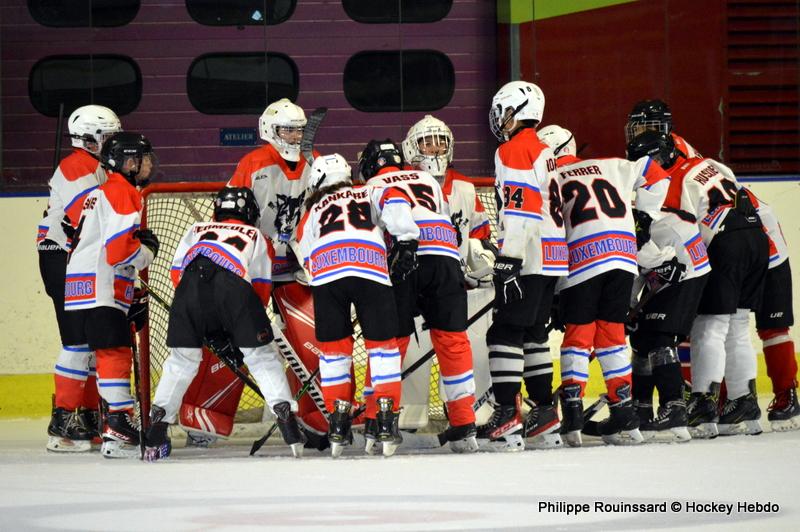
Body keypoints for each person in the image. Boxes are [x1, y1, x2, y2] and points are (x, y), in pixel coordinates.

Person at [144, 187, 305, 461]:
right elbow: (260, 289)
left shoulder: (196, 229)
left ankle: (157, 429)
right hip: (234, 288)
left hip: (189, 289)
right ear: (250, 212)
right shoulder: (256, 235)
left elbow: (177, 273)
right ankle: (287, 422)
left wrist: (203, 319)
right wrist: (242, 329)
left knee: (181, 361)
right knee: (261, 358)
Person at [627, 131, 769, 438]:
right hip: (756, 237)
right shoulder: (707, 163)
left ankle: (703, 405)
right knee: (737, 325)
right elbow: (739, 194)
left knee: (709, 327)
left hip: (723, 244)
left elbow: (679, 227)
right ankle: (743, 402)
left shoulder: (669, 183)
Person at [550, 127, 671, 447]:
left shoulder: (551, 176)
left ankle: (573, 416)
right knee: (612, 335)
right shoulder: (612, 164)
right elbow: (656, 172)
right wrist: (644, 217)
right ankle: (624, 412)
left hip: (583, 259)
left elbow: (549, 227)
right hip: (622, 257)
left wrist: (553, 288)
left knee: (578, 336)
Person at [359, 140, 480, 453]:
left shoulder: (371, 187)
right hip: (445, 258)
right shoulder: (427, 178)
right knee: (453, 340)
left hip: (403, 258)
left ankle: (376, 420)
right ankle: (464, 422)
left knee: (389, 343)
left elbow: (374, 233)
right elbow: (447, 219)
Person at [296, 153, 420, 457]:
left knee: (334, 351)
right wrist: (406, 239)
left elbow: (303, 247)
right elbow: (396, 197)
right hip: (370, 267)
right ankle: (386, 418)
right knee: (383, 348)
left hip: (327, 273)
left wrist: (323, 270)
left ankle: (337, 422)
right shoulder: (368, 190)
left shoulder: (314, 208)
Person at [477, 82, 568, 452]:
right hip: (553, 256)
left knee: (504, 333)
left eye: (503, 110)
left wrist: (509, 259)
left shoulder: (514, 148)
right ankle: (544, 413)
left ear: (517, 111)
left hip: (529, 255)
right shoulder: (543, 149)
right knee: (533, 334)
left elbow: (521, 208)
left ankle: (507, 415)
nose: (499, 118)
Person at [63, 132, 159, 458]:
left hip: (80, 286)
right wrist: (146, 252)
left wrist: (129, 292)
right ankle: (117, 425)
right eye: (143, 159)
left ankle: (109, 427)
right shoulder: (122, 190)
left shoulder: (99, 192)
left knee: (98, 353)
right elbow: (119, 251)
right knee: (114, 352)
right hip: (101, 286)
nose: (149, 164)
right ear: (129, 162)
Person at [38, 105, 122, 452]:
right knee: (77, 341)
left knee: (90, 341)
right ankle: (63, 423)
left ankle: (85, 416)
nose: (114, 143)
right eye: (108, 137)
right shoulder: (76, 166)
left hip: (81, 257)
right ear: (88, 139)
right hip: (62, 258)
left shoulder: (98, 166)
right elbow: (91, 218)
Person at [227, 98, 315, 283]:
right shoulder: (252, 163)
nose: (296, 136)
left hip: (300, 263)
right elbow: (228, 213)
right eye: (288, 130)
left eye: (300, 130)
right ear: (270, 129)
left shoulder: (315, 161)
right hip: (258, 259)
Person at [401, 114, 494, 284]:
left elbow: (478, 238)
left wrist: (483, 269)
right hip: (415, 277)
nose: (435, 149)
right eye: (427, 144)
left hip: (454, 278)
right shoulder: (403, 185)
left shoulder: (465, 187)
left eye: (441, 143)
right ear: (412, 148)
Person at [624, 99, 700, 159]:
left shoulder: (678, 151)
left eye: (647, 129)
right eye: (637, 129)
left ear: (665, 128)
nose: (640, 135)